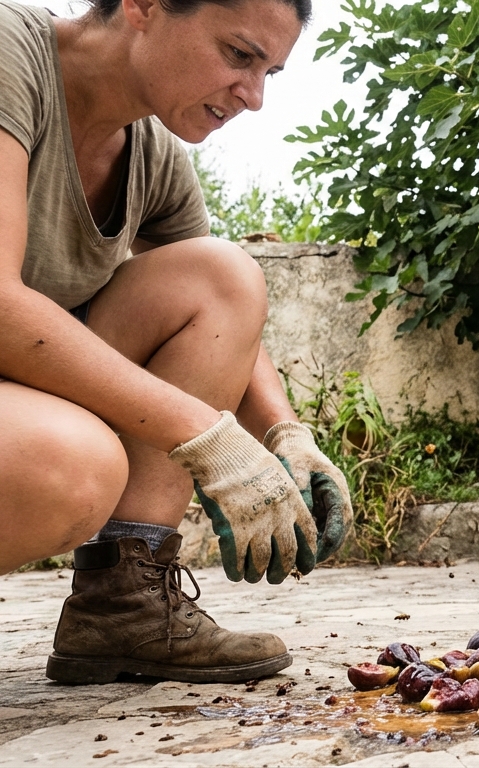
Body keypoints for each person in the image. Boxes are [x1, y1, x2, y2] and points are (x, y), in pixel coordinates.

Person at [0, 0, 351, 684]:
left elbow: (224, 312)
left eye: (270, 73)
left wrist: (284, 434)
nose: (252, 97)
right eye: (239, 56)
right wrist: (206, 436)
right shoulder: (10, 54)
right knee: (73, 467)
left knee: (223, 275)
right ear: (143, 6)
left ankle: (122, 606)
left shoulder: (151, 154)